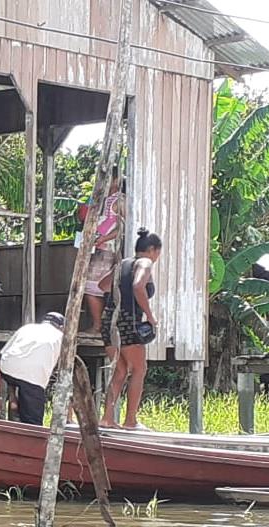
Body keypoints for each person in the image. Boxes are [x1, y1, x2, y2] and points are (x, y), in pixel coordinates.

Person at [97, 228, 162, 430]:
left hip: (109, 319)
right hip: (127, 321)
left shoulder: (123, 264)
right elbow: (138, 286)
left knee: (120, 370)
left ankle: (107, 418)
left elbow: (102, 285)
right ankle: (130, 420)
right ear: (153, 250)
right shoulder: (145, 263)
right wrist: (149, 315)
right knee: (139, 370)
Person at [0, 312, 65, 426]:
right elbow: (63, 368)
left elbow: (0, 362)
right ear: (61, 327)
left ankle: (13, 400)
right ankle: (29, 426)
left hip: (7, 368)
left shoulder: (26, 328)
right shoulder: (61, 337)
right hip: (32, 379)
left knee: (12, 372)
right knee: (33, 424)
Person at [83, 167, 123, 334]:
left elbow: (123, 227)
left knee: (91, 286)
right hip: (97, 247)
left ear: (116, 180)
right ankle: (99, 325)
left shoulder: (120, 200)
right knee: (92, 286)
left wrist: (104, 239)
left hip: (107, 249)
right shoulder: (104, 199)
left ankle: (98, 325)